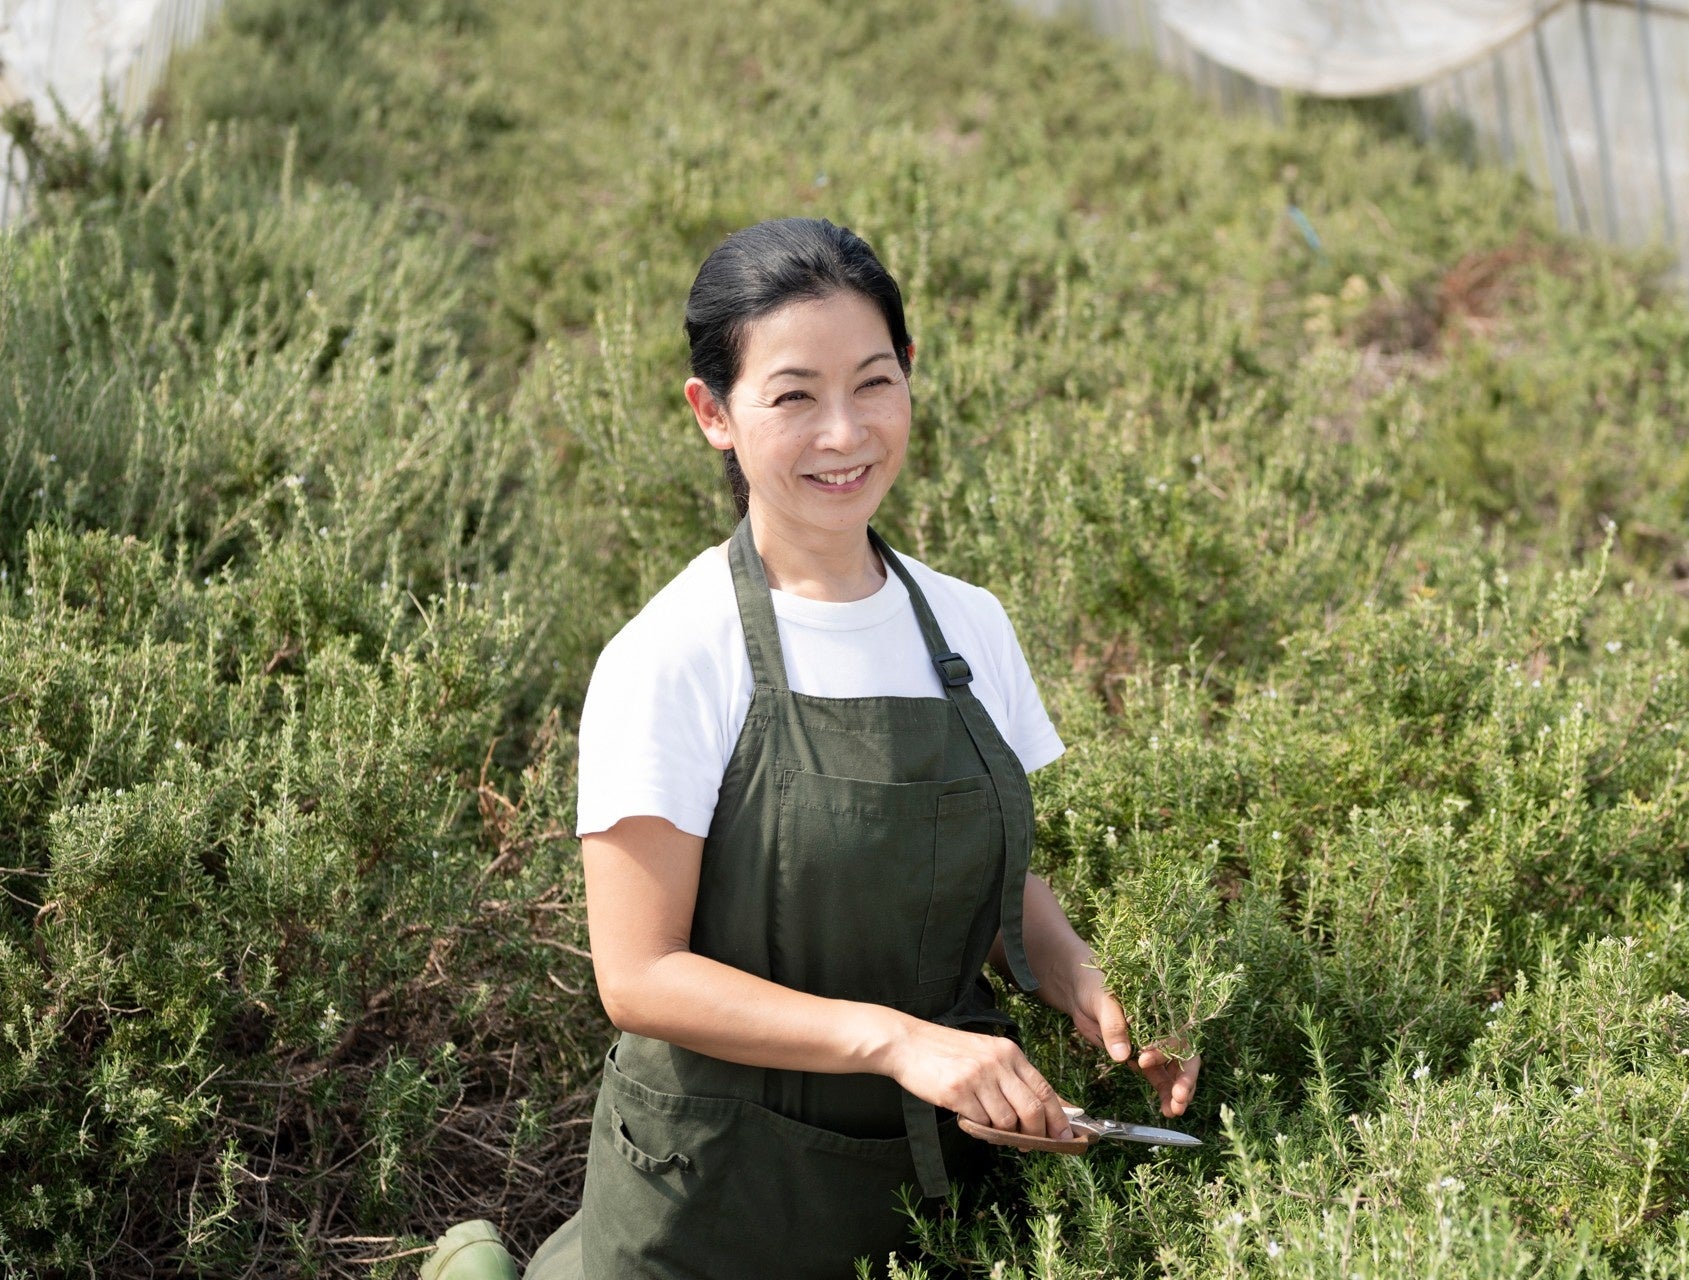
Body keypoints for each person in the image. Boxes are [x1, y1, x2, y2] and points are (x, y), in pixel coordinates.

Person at [508, 217, 1200, 1279]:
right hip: (715, 1208)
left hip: (932, 1198)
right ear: (713, 414)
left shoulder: (972, 625)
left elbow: (996, 887)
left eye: (873, 382)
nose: (845, 432)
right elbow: (640, 976)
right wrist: (903, 1041)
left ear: (911, 375)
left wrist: (1084, 983)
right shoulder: (673, 654)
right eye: (793, 396)